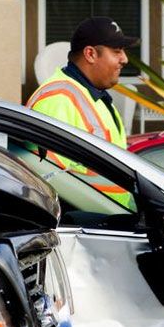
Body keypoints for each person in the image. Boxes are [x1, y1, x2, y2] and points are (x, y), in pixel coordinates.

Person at [28, 16, 139, 207]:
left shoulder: (96, 97)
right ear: (90, 54)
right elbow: (49, 180)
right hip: (86, 226)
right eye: (117, 51)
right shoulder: (57, 99)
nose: (124, 59)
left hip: (110, 223)